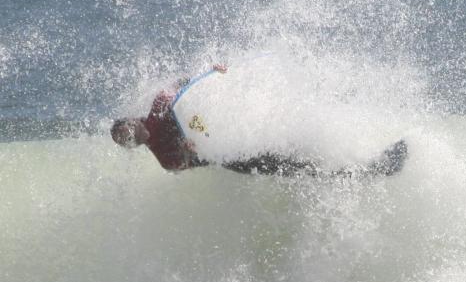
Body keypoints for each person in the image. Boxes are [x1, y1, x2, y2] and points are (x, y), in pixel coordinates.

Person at [111, 65, 408, 178]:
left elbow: (190, 88)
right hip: (231, 156)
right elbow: (197, 163)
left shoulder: (161, 103)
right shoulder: (165, 159)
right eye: (126, 142)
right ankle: (368, 170)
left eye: (128, 132)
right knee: (291, 166)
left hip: (233, 127)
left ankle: (362, 163)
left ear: (133, 122)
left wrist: (213, 73)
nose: (131, 138)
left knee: (293, 137)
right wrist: (191, 150)